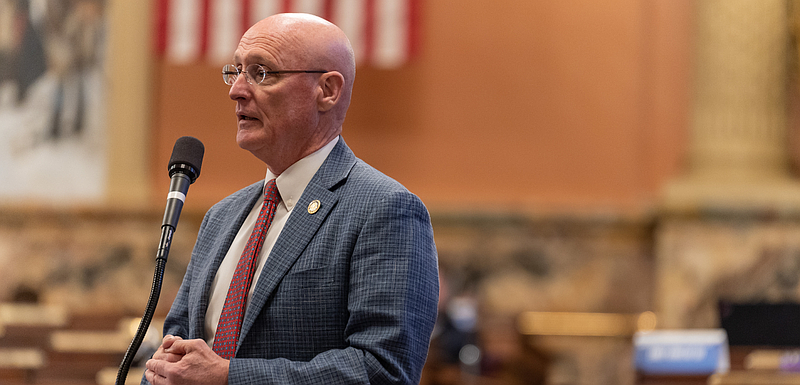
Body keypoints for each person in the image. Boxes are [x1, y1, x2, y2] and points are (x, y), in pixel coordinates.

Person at [142, 12, 439, 385]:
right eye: (236, 71)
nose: (236, 90)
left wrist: (229, 377)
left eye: (262, 72)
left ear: (327, 90)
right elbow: (174, 355)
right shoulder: (222, 215)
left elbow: (382, 370)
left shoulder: (385, 210)